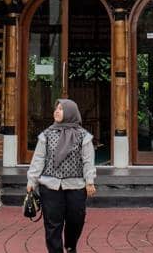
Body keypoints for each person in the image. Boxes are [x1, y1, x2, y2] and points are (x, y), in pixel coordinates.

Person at [26, 98, 97, 253]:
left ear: (70, 112)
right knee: (52, 224)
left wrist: (89, 181)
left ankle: (71, 246)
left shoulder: (83, 136)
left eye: (61, 109)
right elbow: (38, 159)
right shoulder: (46, 134)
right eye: (56, 109)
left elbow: (88, 161)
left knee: (76, 220)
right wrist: (32, 180)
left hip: (76, 186)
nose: (56, 111)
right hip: (50, 186)